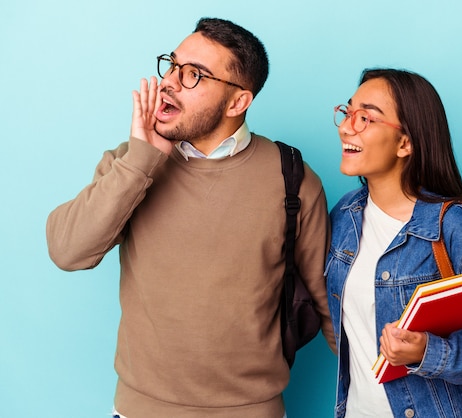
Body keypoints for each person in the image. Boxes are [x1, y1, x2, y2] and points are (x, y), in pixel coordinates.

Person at [46, 17, 334, 418]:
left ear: (237, 102)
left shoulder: (293, 178)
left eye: (194, 75)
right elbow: (67, 251)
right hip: (138, 410)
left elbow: (330, 304)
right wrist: (141, 160)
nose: (169, 82)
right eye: (172, 65)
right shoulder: (131, 165)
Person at [325, 68, 462, 418]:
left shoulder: (453, 225)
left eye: (366, 118)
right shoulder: (344, 215)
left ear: (405, 143)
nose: (347, 126)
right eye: (347, 113)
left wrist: (428, 353)